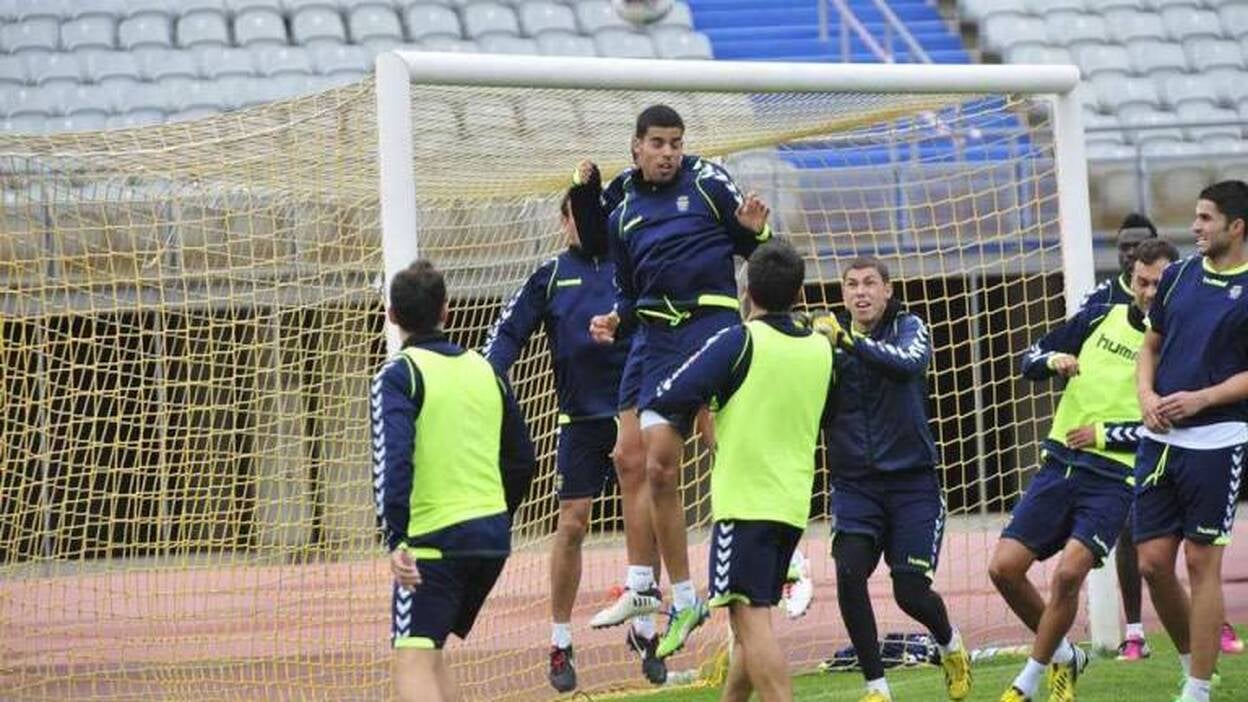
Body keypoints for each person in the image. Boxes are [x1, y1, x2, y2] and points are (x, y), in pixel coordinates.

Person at [583, 104, 773, 659]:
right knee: (645, 462)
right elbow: (625, 285)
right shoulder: (622, 206)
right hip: (655, 338)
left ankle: (788, 565)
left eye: (675, 142)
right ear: (637, 147)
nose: (669, 153)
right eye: (658, 143)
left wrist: (758, 234)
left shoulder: (709, 181)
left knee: (723, 445)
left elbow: (757, 253)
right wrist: (619, 317)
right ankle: (671, 594)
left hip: (709, 325)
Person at [481, 187, 665, 691]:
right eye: (576, 216)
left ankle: (645, 628)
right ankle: (560, 641)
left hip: (635, 410)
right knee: (573, 523)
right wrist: (484, 378)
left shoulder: (632, 265)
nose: (587, 222)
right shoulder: (550, 275)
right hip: (580, 420)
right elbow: (507, 334)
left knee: (647, 518)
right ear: (564, 222)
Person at [643, 240, 836, 702]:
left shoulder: (739, 340)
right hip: (791, 506)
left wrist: (711, 399)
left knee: (750, 622)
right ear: (799, 294)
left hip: (744, 503)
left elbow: (669, 393)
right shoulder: (822, 351)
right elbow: (827, 413)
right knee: (751, 620)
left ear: (746, 290)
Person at [991, 238, 1179, 702]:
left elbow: (1165, 426)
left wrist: (1103, 435)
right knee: (1003, 569)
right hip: (1060, 465)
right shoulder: (1100, 315)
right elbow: (1029, 357)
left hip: (1115, 478)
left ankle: (1027, 682)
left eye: (1160, 284)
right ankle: (1065, 657)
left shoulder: (1174, 347)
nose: (1150, 291)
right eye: (1143, 281)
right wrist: (1053, 360)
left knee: (1068, 574)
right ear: (1130, 278)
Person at [371, 260, 537, 702]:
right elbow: (522, 459)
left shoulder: (398, 375)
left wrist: (397, 535)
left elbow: (394, 461)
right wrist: (496, 515)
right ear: (446, 310)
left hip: (432, 539)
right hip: (491, 537)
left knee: (410, 658)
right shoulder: (486, 370)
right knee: (430, 652)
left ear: (390, 314)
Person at [817, 257, 971, 702]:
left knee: (910, 592)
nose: (860, 292)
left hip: (912, 485)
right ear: (843, 294)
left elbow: (908, 364)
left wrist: (847, 341)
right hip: (854, 485)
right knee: (849, 573)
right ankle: (877, 688)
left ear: (887, 290)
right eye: (851, 285)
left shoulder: (910, 327)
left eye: (869, 283)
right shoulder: (825, 343)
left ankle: (949, 643)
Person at [1135, 180, 1248, 702]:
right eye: (1196, 217)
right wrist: (1145, 397)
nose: (1195, 227)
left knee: (1202, 563)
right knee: (1153, 564)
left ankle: (1197, 689)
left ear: (1236, 227)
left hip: (1219, 438)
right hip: (1159, 437)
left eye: (1205, 218)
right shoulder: (1177, 276)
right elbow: (1149, 346)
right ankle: (1193, 663)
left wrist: (1202, 399)